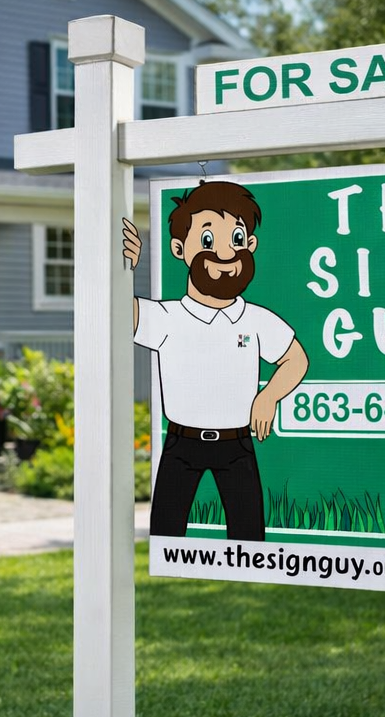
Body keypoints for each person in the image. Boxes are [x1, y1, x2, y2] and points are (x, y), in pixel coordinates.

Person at [123, 180, 309, 540]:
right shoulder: (167, 317)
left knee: (250, 539)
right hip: (180, 444)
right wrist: (124, 269)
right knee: (167, 535)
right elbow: (118, 312)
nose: (225, 254)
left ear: (251, 245)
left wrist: (268, 397)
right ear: (179, 249)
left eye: (236, 240)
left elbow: (295, 359)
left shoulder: (255, 319)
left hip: (237, 445)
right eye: (208, 241)